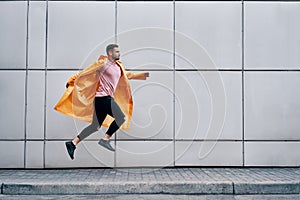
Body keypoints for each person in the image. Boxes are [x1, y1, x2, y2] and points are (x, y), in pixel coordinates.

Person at [54, 44, 149, 160]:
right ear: (110, 53)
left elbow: (127, 75)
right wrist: (72, 80)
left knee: (95, 126)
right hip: (103, 98)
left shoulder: (118, 67)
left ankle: (73, 143)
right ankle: (105, 139)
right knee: (121, 118)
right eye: (117, 52)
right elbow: (85, 72)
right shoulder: (103, 64)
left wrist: (143, 75)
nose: (119, 54)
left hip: (103, 99)